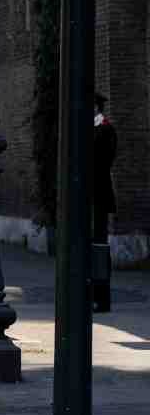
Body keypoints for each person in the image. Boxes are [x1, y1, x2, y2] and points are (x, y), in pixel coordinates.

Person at [94, 92, 117, 313]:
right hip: (89, 195)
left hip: (98, 195)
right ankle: (93, 293)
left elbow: (104, 160)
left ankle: (102, 297)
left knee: (99, 244)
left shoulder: (105, 129)